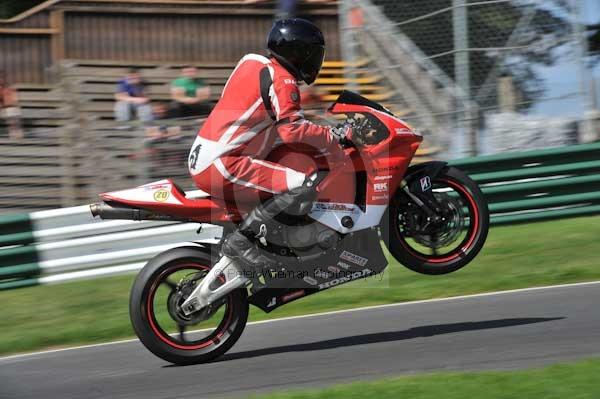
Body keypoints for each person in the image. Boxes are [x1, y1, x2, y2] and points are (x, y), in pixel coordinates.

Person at [188, 18, 350, 270]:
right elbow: (292, 130)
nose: (316, 61)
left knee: (288, 169)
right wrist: (332, 136)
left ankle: (272, 243)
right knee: (303, 183)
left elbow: (257, 116)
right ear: (297, 53)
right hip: (224, 163)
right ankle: (243, 242)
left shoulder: (250, 63)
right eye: (313, 54)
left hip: (207, 154)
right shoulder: (283, 81)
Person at [0, 70, 23, 139]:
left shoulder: (9, 88)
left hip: (12, 107)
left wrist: (17, 105)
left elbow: (15, 97)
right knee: (12, 124)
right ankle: (14, 136)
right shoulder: (3, 89)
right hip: (8, 108)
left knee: (16, 123)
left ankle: (17, 136)